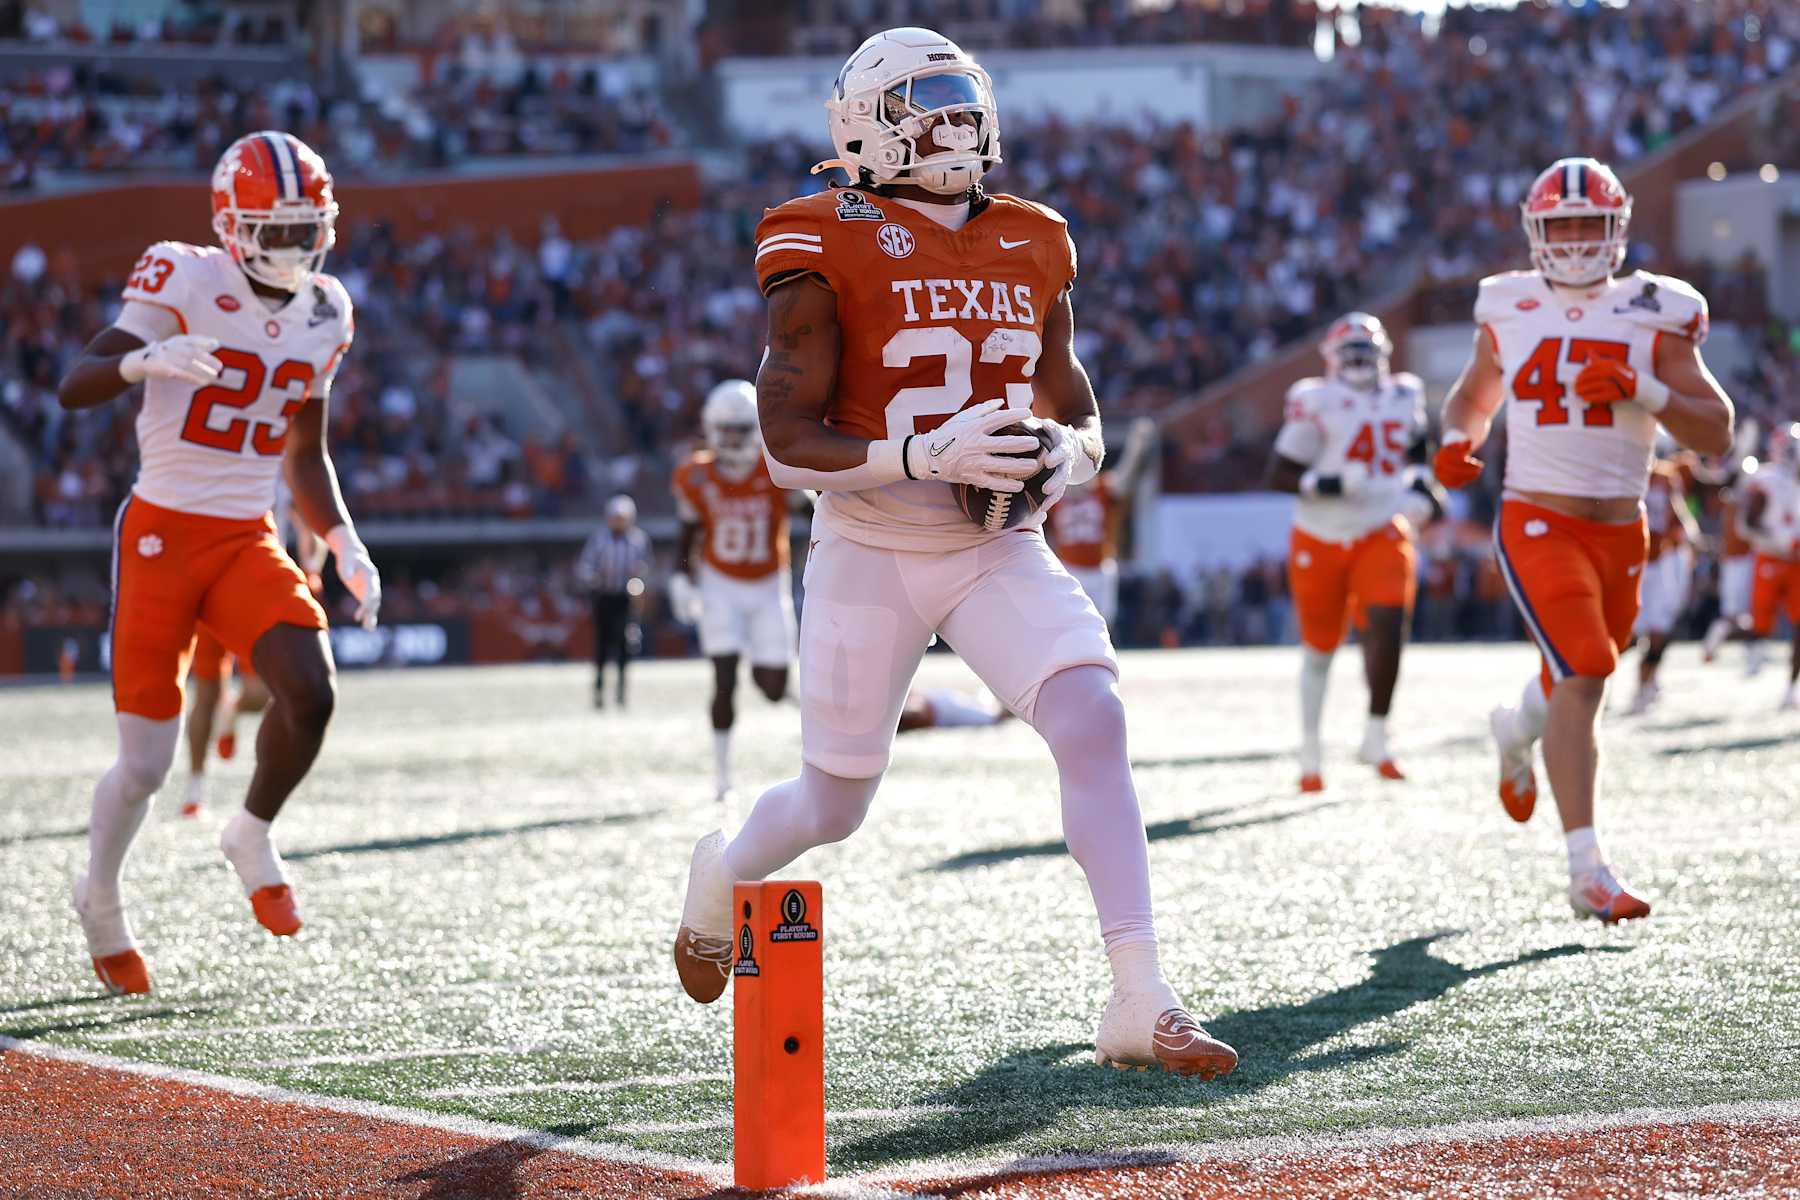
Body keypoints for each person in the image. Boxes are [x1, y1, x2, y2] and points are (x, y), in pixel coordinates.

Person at [671, 27, 1237, 1079]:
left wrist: (1071, 451)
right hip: (871, 542)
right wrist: (918, 450)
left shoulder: (1035, 235)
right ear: (864, 125)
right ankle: (722, 870)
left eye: (965, 101)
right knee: (833, 803)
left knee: (1091, 712)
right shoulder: (816, 232)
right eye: (927, 103)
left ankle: (1139, 992)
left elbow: (1076, 401)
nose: (957, 122)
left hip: (994, 539)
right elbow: (789, 441)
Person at [56, 130, 379, 995]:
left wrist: (343, 537)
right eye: (274, 232)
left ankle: (250, 831)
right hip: (162, 534)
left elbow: (304, 453)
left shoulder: (325, 311)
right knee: (145, 767)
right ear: (232, 227)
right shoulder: (182, 275)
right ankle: (101, 896)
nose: (295, 248)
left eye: (307, 228)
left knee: (310, 693)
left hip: (243, 536)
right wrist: (139, 359)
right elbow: (74, 381)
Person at [1435, 156, 1733, 923]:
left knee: (1581, 669)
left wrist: (1644, 389)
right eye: (1559, 226)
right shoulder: (1507, 303)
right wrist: (1457, 437)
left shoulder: (1656, 308)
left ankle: (1515, 728)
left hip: (1623, 526)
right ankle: (1586, 869)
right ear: (1536, 233)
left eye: (1586, 226)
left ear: (1616, 231)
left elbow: (1716, 431)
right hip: (1537, 517)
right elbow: (1475, 393)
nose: (1572, 242)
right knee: (1591, 669)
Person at [1265, 313, 1441, 792]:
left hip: (1382, 528)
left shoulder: (1406, 393)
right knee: (1320, 649)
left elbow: (1419, 449)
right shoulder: (1314, 399)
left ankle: (1377, 736)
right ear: (1332, 359)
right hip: (1319, 535)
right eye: (1351, 353)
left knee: (1388, 625)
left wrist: (1423, 488)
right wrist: (1330, 482)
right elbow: (1278, 475)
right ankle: (1310, 748)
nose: (1360, 362)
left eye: (1367, 352)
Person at [668, 380, 802, 801]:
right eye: (724, 429)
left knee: (773, 687)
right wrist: (681, 579)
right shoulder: (695, 473)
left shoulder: (776, 468)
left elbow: (818, 511)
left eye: (739, 429)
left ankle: (792, 698)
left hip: (767, 584)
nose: (731, 438)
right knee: (723, 677)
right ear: (711, 429)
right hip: (720, 584)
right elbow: (687, 535)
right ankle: (722, 775)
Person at [1047, 417, 1156, 629]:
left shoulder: (1103, 489)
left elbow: (1126, 477)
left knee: (1103, 625)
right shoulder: (1054, 492)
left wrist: (1137, 446)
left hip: (1100, 566)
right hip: (1070, 568)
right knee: (1072, 624)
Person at [1622, 454, 1702, 714]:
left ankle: (1644, 687)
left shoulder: (1667, 478)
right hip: (1632, 561)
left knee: (1659, 630)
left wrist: (1691, 535)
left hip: (1660, 563)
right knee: (1629, 635)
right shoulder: (1624, 474)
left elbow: (1677, 511)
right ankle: (1598, 677)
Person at [576, 494, 651, 708]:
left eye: (622, 517)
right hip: (604, 596)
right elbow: (585, 566)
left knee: (625, 644)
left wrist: (638, 578)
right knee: (602, 643)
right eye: (616, 517)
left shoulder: (638, 539)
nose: (618, 521)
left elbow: (645, 567)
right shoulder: (599, 539)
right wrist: (594, 578)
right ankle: (599, 690)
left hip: (626, 597)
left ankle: (621, 690)